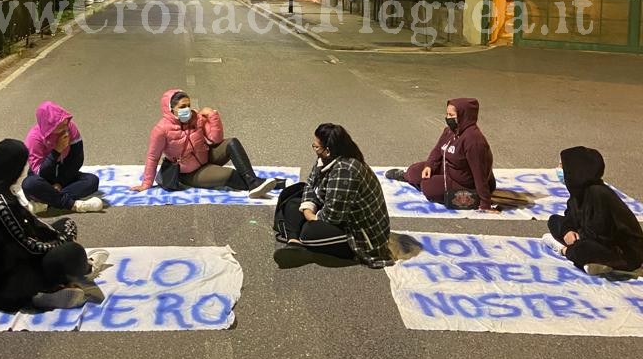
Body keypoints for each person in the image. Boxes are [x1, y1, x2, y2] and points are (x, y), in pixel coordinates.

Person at [0, 139, 106, 312]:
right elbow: (30, 246)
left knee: (65, 225)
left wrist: (55, 235)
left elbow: (28, 225)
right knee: (72, 251)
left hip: (7, 269)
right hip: (3, 290)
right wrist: (62, 242)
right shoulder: (0, 204)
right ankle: (51, 287)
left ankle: (57, 284)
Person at [273, 123, 393, 269]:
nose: (314, 148)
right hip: (339, 212)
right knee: (292, 198)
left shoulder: (345, 171)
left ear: (328, 150)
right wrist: (308, 206)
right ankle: (293, 242)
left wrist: (309, 215)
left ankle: (304, 246)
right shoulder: (327, 158)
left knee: (308, 232)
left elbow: (331, 217)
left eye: (316, 146)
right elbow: (310, 184)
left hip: (361, 234)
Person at [138, 89, 277, 197]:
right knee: (230, 175)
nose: (187, 109)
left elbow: (215, 139)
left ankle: (254, 182)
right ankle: (270, 183)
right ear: (170, 109)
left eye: (188, 105)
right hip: (191, 173)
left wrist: (212, 115)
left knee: (232, 142)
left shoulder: (195, 117)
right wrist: (146, 183)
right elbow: (152, 157)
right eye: (182, 107)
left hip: (206, 157)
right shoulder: (161, 130)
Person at [542, 146, 643, 276]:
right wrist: (568, 231)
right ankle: (594, 262)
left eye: (562, 166)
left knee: (582, 249)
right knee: (554, 221)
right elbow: (570, 217)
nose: (559, 170)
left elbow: (601, 236)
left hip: (623, 252)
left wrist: (575, 242)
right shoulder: (578, 191)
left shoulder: (598, 194)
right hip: (591, 238)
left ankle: (564, 250)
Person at [386, 97, 499, 212]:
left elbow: (479, 173)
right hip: (449, 168)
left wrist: (485, 202)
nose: (448, 118)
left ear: (463, 116)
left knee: (428, 187)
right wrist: (429, 165)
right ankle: (408, 177)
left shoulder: (474, 141)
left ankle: (471, 197)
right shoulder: (450, 131)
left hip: (465, 182)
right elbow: (437, 150)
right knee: (414, 171)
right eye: (447, 114)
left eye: (451, 115)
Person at [22, 101, 103, 212]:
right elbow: (41, 173)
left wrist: (60, 183)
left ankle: (46, 203)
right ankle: (75, 205)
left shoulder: (70, 128)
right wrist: (56, 151)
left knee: (92, 180)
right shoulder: (34, 138)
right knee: (29, 184)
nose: (66, 129)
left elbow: (77, 159)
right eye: (60, 127)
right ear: (49, 127)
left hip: (64, 172)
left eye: (66, 124)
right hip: (42, 177)